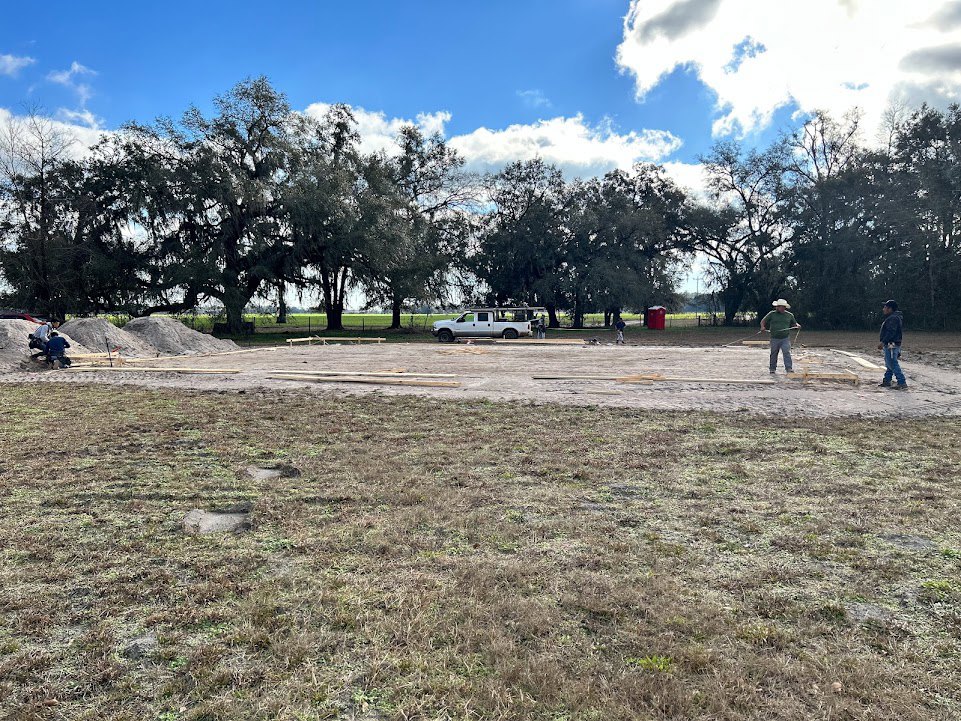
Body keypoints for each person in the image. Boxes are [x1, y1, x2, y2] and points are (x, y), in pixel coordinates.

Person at [760, 299, 801, 374]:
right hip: (774, 338)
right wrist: (762, 327)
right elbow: (763, 321)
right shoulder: (772, 314)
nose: (782, 308)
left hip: (785, 338)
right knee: (774, 353)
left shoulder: (790, 315)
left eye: (783, 307)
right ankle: (772, 368)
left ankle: (789, 368)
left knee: (786, 352)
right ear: (777, 307)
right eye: (780, 307)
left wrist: (797, 325)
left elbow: (794, 323)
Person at [878, 299, 907, 389]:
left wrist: (883, 342)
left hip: (891, 344)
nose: (883, 309)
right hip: (893, 344)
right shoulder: (894, 317)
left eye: (885, 307)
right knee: (889, 363)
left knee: (892, 363)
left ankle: (901, 382)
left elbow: (891, 332)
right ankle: (887, 380)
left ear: (890, 309)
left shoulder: (893, 318)